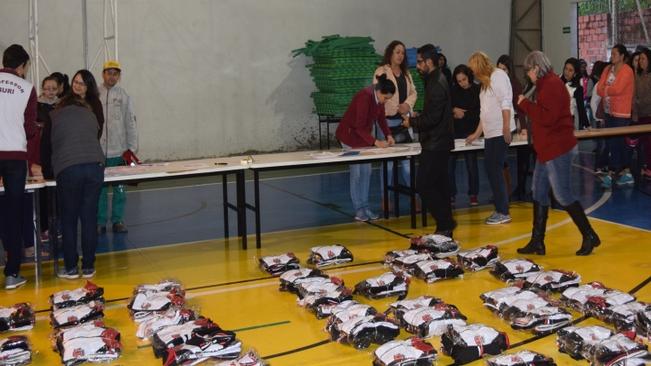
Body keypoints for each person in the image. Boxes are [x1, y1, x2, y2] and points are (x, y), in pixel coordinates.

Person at [516, 51, 600, 256]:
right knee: (538, 191)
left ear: (536, 68)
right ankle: (537, 241)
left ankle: (589, 235)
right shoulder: (546, 84)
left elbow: (547, 118)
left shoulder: (551, 85)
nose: (528, 75)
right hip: (547, 149)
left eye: (528, 71)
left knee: (563, 194)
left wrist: (525, 105)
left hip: (558, 149)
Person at [51, 69, 105, 279]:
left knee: (70, 218)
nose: (77, 86)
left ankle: (72, 267)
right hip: (93, 165)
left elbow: (51, 142)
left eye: (82, 83)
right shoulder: (87, 110)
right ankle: (89, 266)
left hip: (71, 165)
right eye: (75, 82)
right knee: (89, 217)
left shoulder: (59, 110)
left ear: (89, 86)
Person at [402, 44, 456, 237]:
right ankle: (446, 226)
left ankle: (445, 222)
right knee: (440, 186)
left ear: (429, 62)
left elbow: (433, 118)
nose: (417, 66)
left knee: (424, 185)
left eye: (419, 62)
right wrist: (420, 115)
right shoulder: (434, 80)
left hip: (436, 143)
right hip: (438, 141)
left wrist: (412, 121)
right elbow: (435, 113)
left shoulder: (436, 83)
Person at [0, 44, 37, 290]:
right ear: (22, 66)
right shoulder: (27, 88)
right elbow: (30, 128)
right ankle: (12, 273)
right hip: (14, 156)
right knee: (13, 214)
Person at [335, 74, 395, 221]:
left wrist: (388, 135)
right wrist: (376, 142)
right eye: (385, 98)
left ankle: (365, 206)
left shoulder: (378, 99)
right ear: (379, 92)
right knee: (356, 173)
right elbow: (358, 127)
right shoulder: (364, 97)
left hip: (363, 138)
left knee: (366, 172)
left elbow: (381, 118)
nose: (386, 101)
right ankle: (359, 209)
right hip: (349, 136)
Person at [467, 52, 516, 225]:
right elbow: (484, 112)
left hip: (499, 132)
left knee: (494, 169)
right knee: (491, 169)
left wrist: (505, 127)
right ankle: (500, 208)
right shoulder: (484, 84)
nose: (473, 74)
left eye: (474, 70)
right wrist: (476, 133)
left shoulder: (498, 76)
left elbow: (506, 102)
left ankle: (503, 211)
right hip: (490, 132)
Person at [373, 41, 417, 209]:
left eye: (403, 53)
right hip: (386, 122)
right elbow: (379, 96)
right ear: (390, 53)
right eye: (397, 52)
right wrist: (393, 107)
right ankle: (386, 197)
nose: (400, 55)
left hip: (404, 122)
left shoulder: (406, 73)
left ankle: (414, 196)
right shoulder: (381, 72)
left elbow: (414, 93)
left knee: (408, 164)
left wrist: (407, 105)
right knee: (388, 165)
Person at [97, 60, 138, 234]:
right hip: (98, 152)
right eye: (108, 73)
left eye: (115, 73)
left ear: (119, 76)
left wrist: (131, 148)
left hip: (119, 151)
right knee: (100, 190)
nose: (111, 76)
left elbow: (130, 122)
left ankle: (118, 220)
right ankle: (99, 222)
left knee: (120, 188)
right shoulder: (95, 94)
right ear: (103, 74)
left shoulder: (124, 96)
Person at [597, 44, 635, 188]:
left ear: (622, 56)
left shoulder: (627, 71)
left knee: (620, 143)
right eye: (611, 54)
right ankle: (615, 171)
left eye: (614, 54)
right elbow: (599, 89)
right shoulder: (607, 69)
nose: (611, 56)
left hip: (621, 113)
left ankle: (624, 171)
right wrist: (608, 90)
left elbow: (618, 89)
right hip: (608, 112)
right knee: (611, 143)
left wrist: (606, 89)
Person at [496, 55, 527, 201]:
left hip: (514, 123)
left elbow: (520, 108)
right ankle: (505, 192)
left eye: (504, 69)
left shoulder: (515, 84)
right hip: (499, 124)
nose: (501, 72)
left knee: (522, 157)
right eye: (499, 69)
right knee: (501, 159)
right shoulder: (494, 83)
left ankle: (520, 188)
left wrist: (524, 127)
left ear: (509, 71)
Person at [448, 64, 480, 207]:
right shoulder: (453, 90)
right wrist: (453, 110)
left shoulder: (477, 90)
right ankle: (451, 194)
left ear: (469, 77)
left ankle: (473, 194)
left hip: (471, 132)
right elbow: (445, 107)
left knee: (472, 165)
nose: (462, 83)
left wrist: (463, 114)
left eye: (464, 80)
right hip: (455, 132)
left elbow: (480, 112)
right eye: (459, 81)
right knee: (450, 165)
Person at [633, 48, 651, 178]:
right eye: (639, 59)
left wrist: (638, 102)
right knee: (644, 142)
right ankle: (646, 165)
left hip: (649, 114)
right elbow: (634, 94)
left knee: (649, 142)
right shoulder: (637, 75)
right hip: (640, 115)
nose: (640, 62)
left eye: (643, 59)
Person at [561, 57, 590, 130]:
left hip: (568, 120)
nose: (566, 72)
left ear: (575, 73)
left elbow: (581, 109)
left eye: (570, 70)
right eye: (566, 68)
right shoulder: (557, 81)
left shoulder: (578, 88)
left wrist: (587, 125)